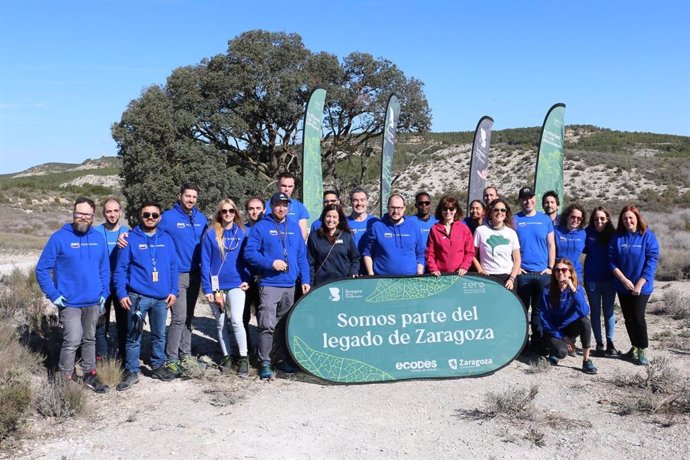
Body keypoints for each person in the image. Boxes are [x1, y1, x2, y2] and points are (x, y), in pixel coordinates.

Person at [36, 197, 110, 393]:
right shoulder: (59, 238)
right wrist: (53, 294)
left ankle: (89, 375)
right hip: (69, 302)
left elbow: (104, 269)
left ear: (93, 216)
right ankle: (65, 378)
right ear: (73, 213)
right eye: (79, 213)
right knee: (72, 339)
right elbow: (42, 269)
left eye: (87, 214)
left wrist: (105, 292)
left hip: (93, 301)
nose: (82, 218)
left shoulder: (97, 238)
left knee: (89, 339)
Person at [244, 192, 311, 379]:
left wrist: (305, 280)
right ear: (270, 207)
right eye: (278, 205)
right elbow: (249, 254)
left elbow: (301, 256)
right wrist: (270, 263)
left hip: (290, 284)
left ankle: (280, 359)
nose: (281, 208)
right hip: (269, 284)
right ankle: (264, 362)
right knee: (267, 325)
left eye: (285, 205)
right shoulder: (261, 227)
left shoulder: (294, 227)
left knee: (284, 325)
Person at [113, 202, 179, 390]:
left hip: (161, 297)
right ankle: (132, 370)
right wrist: (121, 293)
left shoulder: (166, 238)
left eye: (154, 215)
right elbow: (120, 269)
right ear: (140, 216)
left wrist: (174, 291)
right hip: (137, 297)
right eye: (146, 215)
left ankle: (158, 365)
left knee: (159, 334)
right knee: (134, 336)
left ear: (160, 217)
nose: (150, 218)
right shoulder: (130, 239)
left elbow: (173, 266)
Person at [158, 183, 208, 376]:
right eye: (187, 196)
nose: (191, 200)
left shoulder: (201, 217)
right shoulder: (168, 218)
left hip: (196, 273)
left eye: (194, 197)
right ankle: (171, 358)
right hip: (176, 274)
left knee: (188, 316)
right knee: (178, 317)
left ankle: (185, 354)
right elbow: (151, 232)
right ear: (180, 196)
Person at [201, 199, 251, 378]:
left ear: (236, 213)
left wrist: (247, 278)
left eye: (231, 211)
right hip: (217, 287)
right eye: (224, 211)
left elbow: (248, 259)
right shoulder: (210, 233)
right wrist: (208, 289)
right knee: (221, 322)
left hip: (237, 284)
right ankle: (227, 357)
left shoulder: (243, 232)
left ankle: (243, 358)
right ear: (219, 213)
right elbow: (205, 262)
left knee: (237, 320)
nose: (228, 214)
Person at [608, 205, 659, 366]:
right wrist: (623, 280)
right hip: (623, 285)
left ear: (637, 218)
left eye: (631, 217)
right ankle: (634, 347)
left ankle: (642, 349)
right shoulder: (617, 238)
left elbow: (652, 261)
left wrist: (639, 284)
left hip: (642, 286)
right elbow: (611, 261)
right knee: (628, 318)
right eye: (625, 218)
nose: (628, 220)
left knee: (638, 317)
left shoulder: (647, 236)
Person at [514, 186, 555, 354]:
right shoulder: (514, 219)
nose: (527, 201)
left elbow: (551, 244)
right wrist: (515, 267)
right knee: (522, 309)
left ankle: (537, 341)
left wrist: (551, 267)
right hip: (523, 273)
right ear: (520, 201)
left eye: (530, 198)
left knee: (538, 311)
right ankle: (522, 343)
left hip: (542, 274)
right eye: (524, 198)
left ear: (535, 199)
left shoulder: (545, 219)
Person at [539, 258, 598, 374]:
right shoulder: (547, 290)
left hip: (571, 328)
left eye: (564, 270)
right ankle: (556, 348)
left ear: (570, 273)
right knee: (561, 352)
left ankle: (586, 360)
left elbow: (584, 312)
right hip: (554, 330)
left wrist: (573, 289)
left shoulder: (577, 289)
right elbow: (544, 320)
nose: (560, 273)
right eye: (557, 270)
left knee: (585, 321)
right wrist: (564, 338)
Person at [95, 197, 129, 363]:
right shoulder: (95, 232)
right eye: (108, 211)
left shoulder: (128, 232)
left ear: (120, 212)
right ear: (103, 213)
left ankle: (124, 357)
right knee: (101, 324)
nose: (112, 214)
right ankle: (101, 358)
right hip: (102, 285)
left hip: (121, 286)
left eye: (116, 211)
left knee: (124, 324)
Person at [583, 206, 618, 356]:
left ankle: (610, 342)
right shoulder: (587, 233)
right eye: (596, 219)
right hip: (592, 279)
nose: (599, 221)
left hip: (610, 279)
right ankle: (599, 343)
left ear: (607, 219)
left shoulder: (614, 234)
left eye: (602, 218)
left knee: (609, 311)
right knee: (595, 311)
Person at [362, 194, 425, 276]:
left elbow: (420, 253)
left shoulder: (414, 227)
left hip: (410, 280)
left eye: (399, 208)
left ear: (404, 208)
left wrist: (419, 272)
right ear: (387, 208)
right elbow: (367, 253)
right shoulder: (377, 227)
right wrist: (371, 274)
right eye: (392, 208)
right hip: (382, 280)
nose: (396, 211)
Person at [473, 198, 521, 291]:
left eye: (503, 210)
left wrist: (512, 279)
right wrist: (480, 270)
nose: (500, 212)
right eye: (496, 210)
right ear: (491, 212)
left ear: (506, 213)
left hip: (507, 278)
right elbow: (472, 255)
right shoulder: (480, 230)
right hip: (487, 277)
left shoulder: (511, 233)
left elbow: (517, 259)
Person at [307, 204, 360, 287]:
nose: (331, 220)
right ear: (324, 217)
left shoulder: (347, 236)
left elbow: (355, 259)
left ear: (339, 220)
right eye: (328, 216)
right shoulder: (315, 237)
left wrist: (354, 272)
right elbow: (310, 263)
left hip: (343, 284)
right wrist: (310, 283)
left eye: (335, 217)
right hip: (321, 285)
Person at [425, 195, 474, 276]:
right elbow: (429, 253)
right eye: (445, 209)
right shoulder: (434, 229)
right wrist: (433, 268)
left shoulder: (464, 229)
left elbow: (470, 252)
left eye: (451, 209)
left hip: (459, 275)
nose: (448, 211)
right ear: (441, 210)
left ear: (456, 210)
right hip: (440, 276)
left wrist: (464, 267)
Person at [265, 172, 309, 240]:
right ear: (277, 185)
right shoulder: (266, 205)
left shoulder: (300, 207)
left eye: (290, 186)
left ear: (293, 186)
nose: (287, 189)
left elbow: (303, 235)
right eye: (284, 186)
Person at [346, 187, 379, 274]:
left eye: (362, 200)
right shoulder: (343, 223)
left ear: (367, 201)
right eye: (355, 200)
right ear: (351, 202)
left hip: (372, 271)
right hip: (351, 271)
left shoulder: (375, 222)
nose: (359, 203)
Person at [554, 204, 587, 280]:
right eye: (573, 217)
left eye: (579, 218)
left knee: (575, 292)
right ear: (567, 216)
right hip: (559, 273)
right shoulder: (556, 231)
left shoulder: (583, 233)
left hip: (575, 273)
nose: (575, 220)